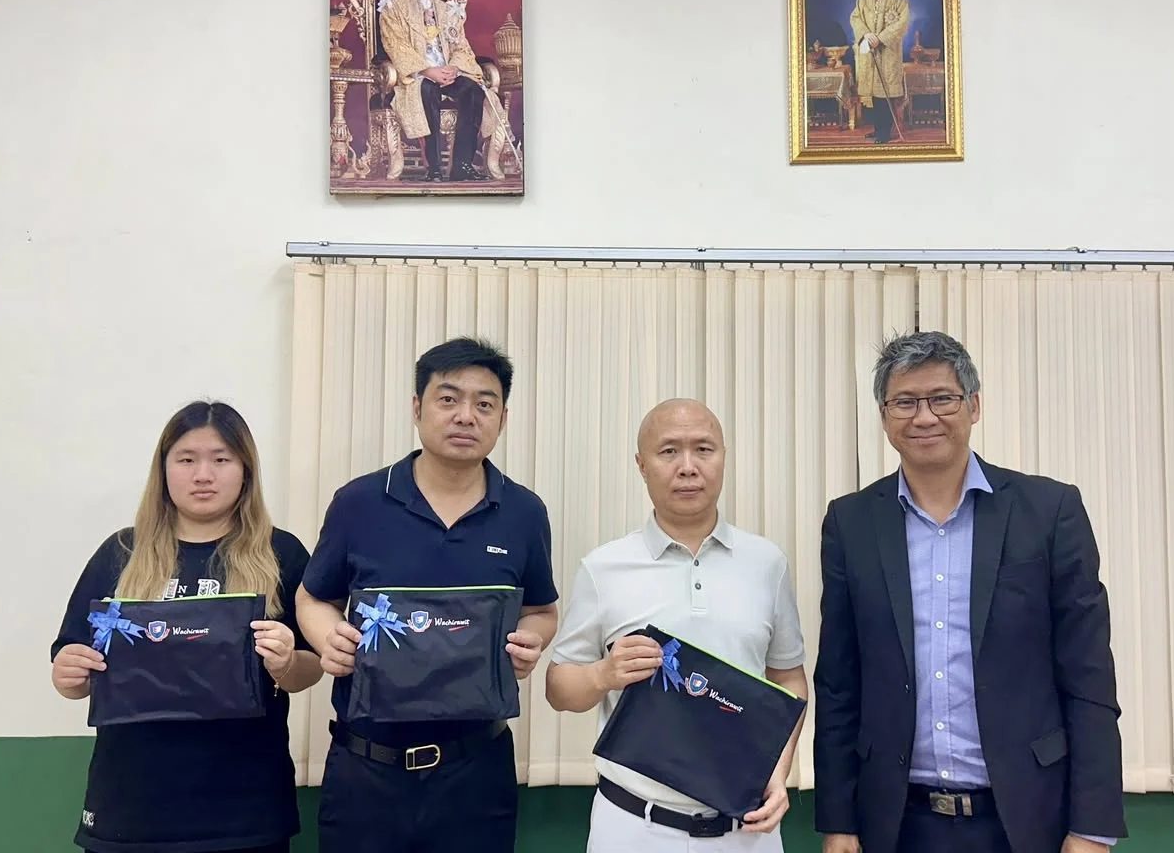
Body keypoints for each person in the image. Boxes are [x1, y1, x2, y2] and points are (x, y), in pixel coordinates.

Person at [812, 331, 1127, 853]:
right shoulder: (851, 523)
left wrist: (1092, 827)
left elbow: (1089, 678)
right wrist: (838, 821)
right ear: (885, 416)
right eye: (905, 402)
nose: (924, 417)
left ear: (974, 406)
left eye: (942, 398)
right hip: (896, 821)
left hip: (1026, 818)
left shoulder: (1049, 511)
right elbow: (839, 683)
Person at [296, 336, 559, 853]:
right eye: (448, 399)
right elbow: (313, 598)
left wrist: (532, 639)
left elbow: (541, 610)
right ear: (417, 408)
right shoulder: (358, 502)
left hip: (476, 772)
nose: (466, 416)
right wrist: (328, 637)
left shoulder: (524, 512)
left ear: (503, 419)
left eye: (484, 404)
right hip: (366, 769)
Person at [50, 401, 323, 853]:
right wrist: (69, 674)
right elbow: (72, 669)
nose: (203, 475)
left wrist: (286, 662)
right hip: (130, 808)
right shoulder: (121, 553)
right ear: (163, 470)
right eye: (186, 459)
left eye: (221, 459)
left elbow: (311, 668)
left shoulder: (282, 554)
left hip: (245, 810)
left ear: (246, 471)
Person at [546, 398, 808, 852]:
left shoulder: (767, 563)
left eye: (703, 449)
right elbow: (559, 688)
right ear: (641, 465)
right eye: (669, 451)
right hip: (631, 825)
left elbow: (789, 679)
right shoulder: (603, 567)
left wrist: (777, 768)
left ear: (723, 457)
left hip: (746, 830)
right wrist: (603, 674)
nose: (688, 467)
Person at [379, 0, 490, 182]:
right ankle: (434, 167)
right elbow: (396, 45)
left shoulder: (448, 10)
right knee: (427, 90)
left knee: (472, 90)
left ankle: (462, 165)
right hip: (416, 75)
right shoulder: (394, 7)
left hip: (448, 72)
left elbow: (461, 46)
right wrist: (428, 70)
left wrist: (455, 68)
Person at [849, 0, 910, 144]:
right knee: (874, 93)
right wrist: (866, 35)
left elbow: (903, 22)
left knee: (886, 91)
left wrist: (881, 38)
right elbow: (855, 18)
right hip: (869, 50)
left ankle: (885, 133)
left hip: (888, 51)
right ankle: (878, 129)